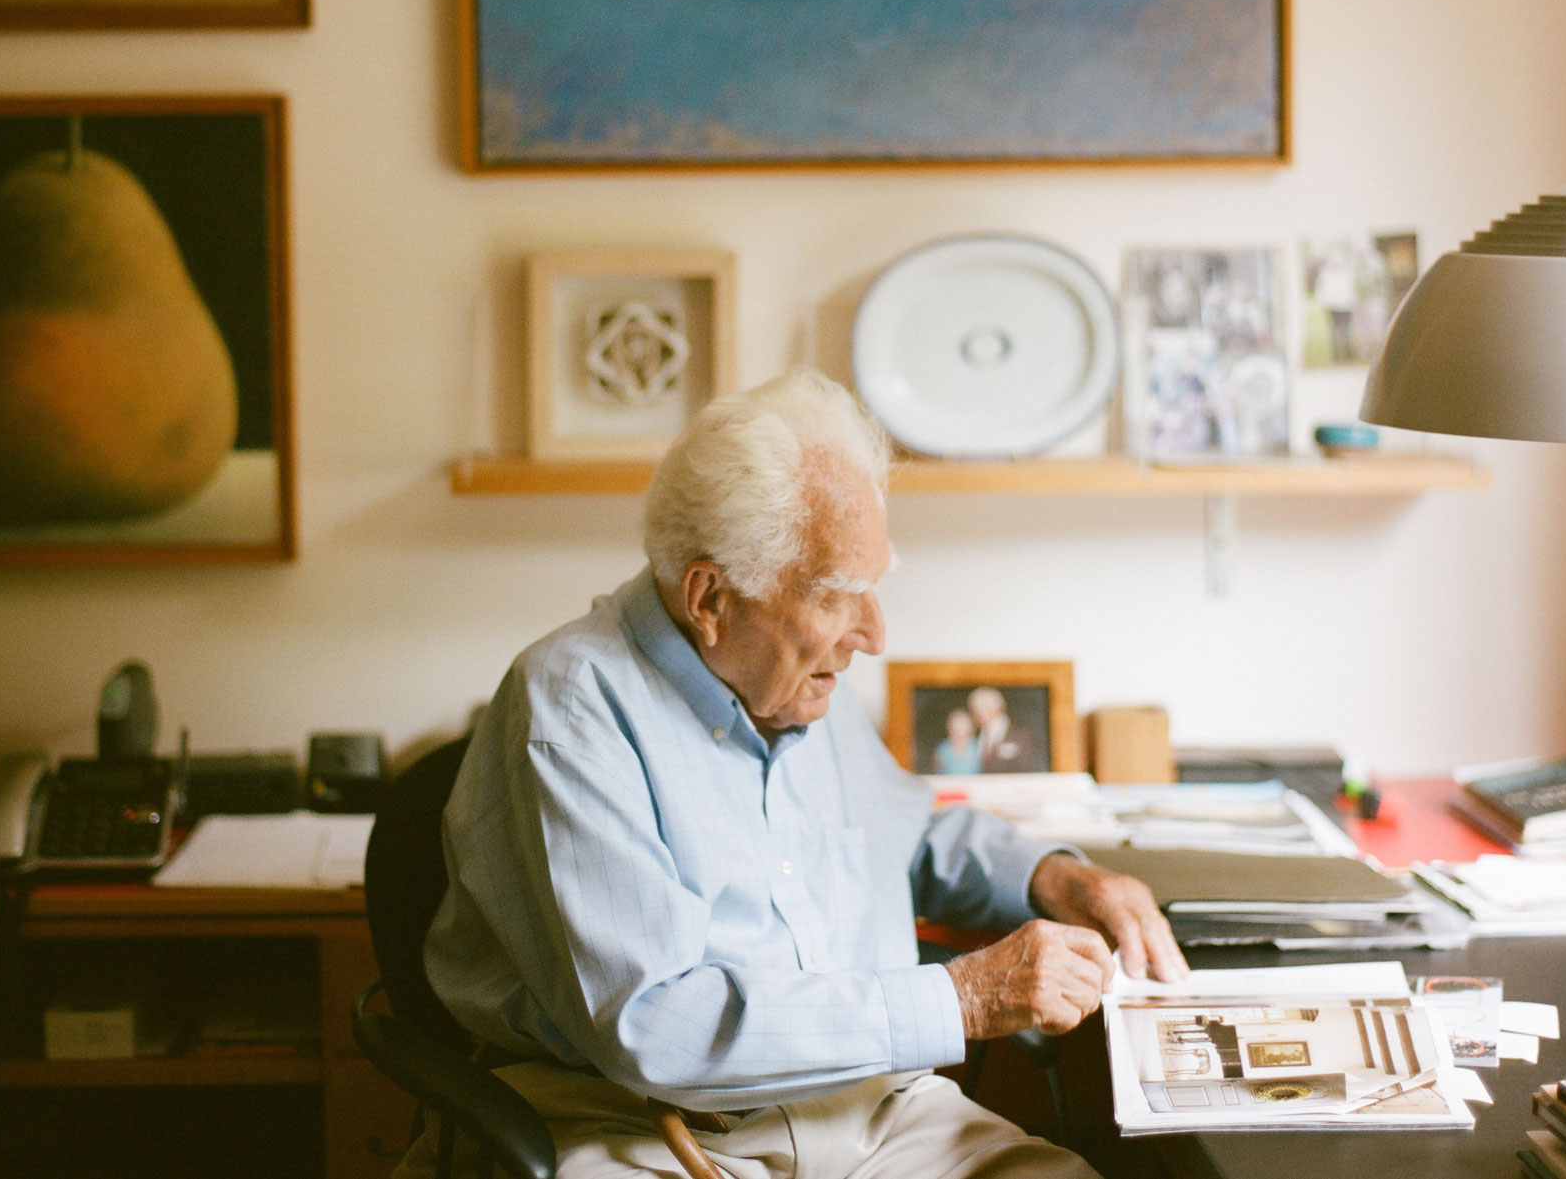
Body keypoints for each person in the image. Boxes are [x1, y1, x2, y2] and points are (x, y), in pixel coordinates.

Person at [410, 369, 1186, 1179]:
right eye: (837, 595)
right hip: (642, 1123)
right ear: (710, 599)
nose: (873, 634)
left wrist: (1052, 875)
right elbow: (658, 1026)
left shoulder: (795, 677)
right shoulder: (573, 708)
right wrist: (965, 997)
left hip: (872, 1111)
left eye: (872, 588)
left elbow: (907, 834)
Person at [930, 707, 982, 774]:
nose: (959, 727)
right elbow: (936, 771)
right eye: (956, 723)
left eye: (963, 723)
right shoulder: (942, 748)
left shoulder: (979, 746)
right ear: (949, 726)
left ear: (971, 726)